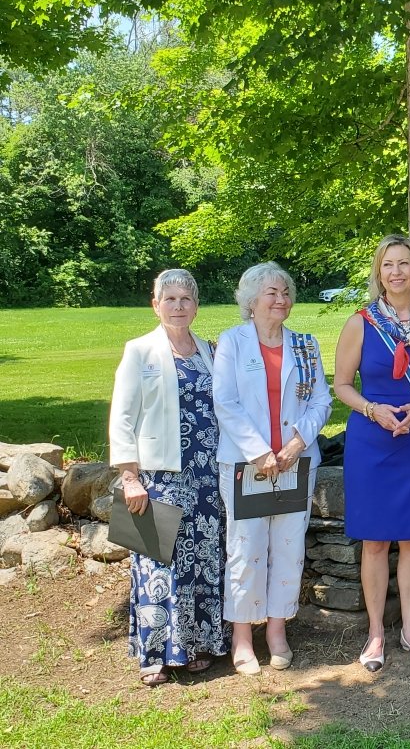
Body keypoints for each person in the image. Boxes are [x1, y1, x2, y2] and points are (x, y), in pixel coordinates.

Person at [333, 234, 410, 672]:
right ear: (379, 272)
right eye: (388, 265)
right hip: (372, 442)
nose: (397, 272)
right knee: (374, 541)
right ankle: (374, 634)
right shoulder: (361, 323)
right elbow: (342, 385)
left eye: (404, 263)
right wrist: (373, 409)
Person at [109, 268, 229, 687]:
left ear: (196, 306)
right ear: (155, 304)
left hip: (207, 474)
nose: (178, 306)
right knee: (158, 561)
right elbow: (122, 418)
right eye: (170, 299)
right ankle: (155, 654)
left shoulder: (209, 351)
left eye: (186, 299)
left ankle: (196, 647)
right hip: (159, 474)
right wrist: (129, 477)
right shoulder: (139, 350)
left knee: (203, 559)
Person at [213, 262, 332, 676]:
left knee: (288, 545)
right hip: (248, 465)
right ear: (250, 301)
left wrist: (298, 442)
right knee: (245, 549)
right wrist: (260, 452)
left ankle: (277, 630)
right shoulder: (232, 343)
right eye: (272, 293)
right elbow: (225, 402)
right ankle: (243, 636)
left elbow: (321, 401)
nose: (281, 299)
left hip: (296, 464)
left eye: (286, 292)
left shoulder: (305, 344)